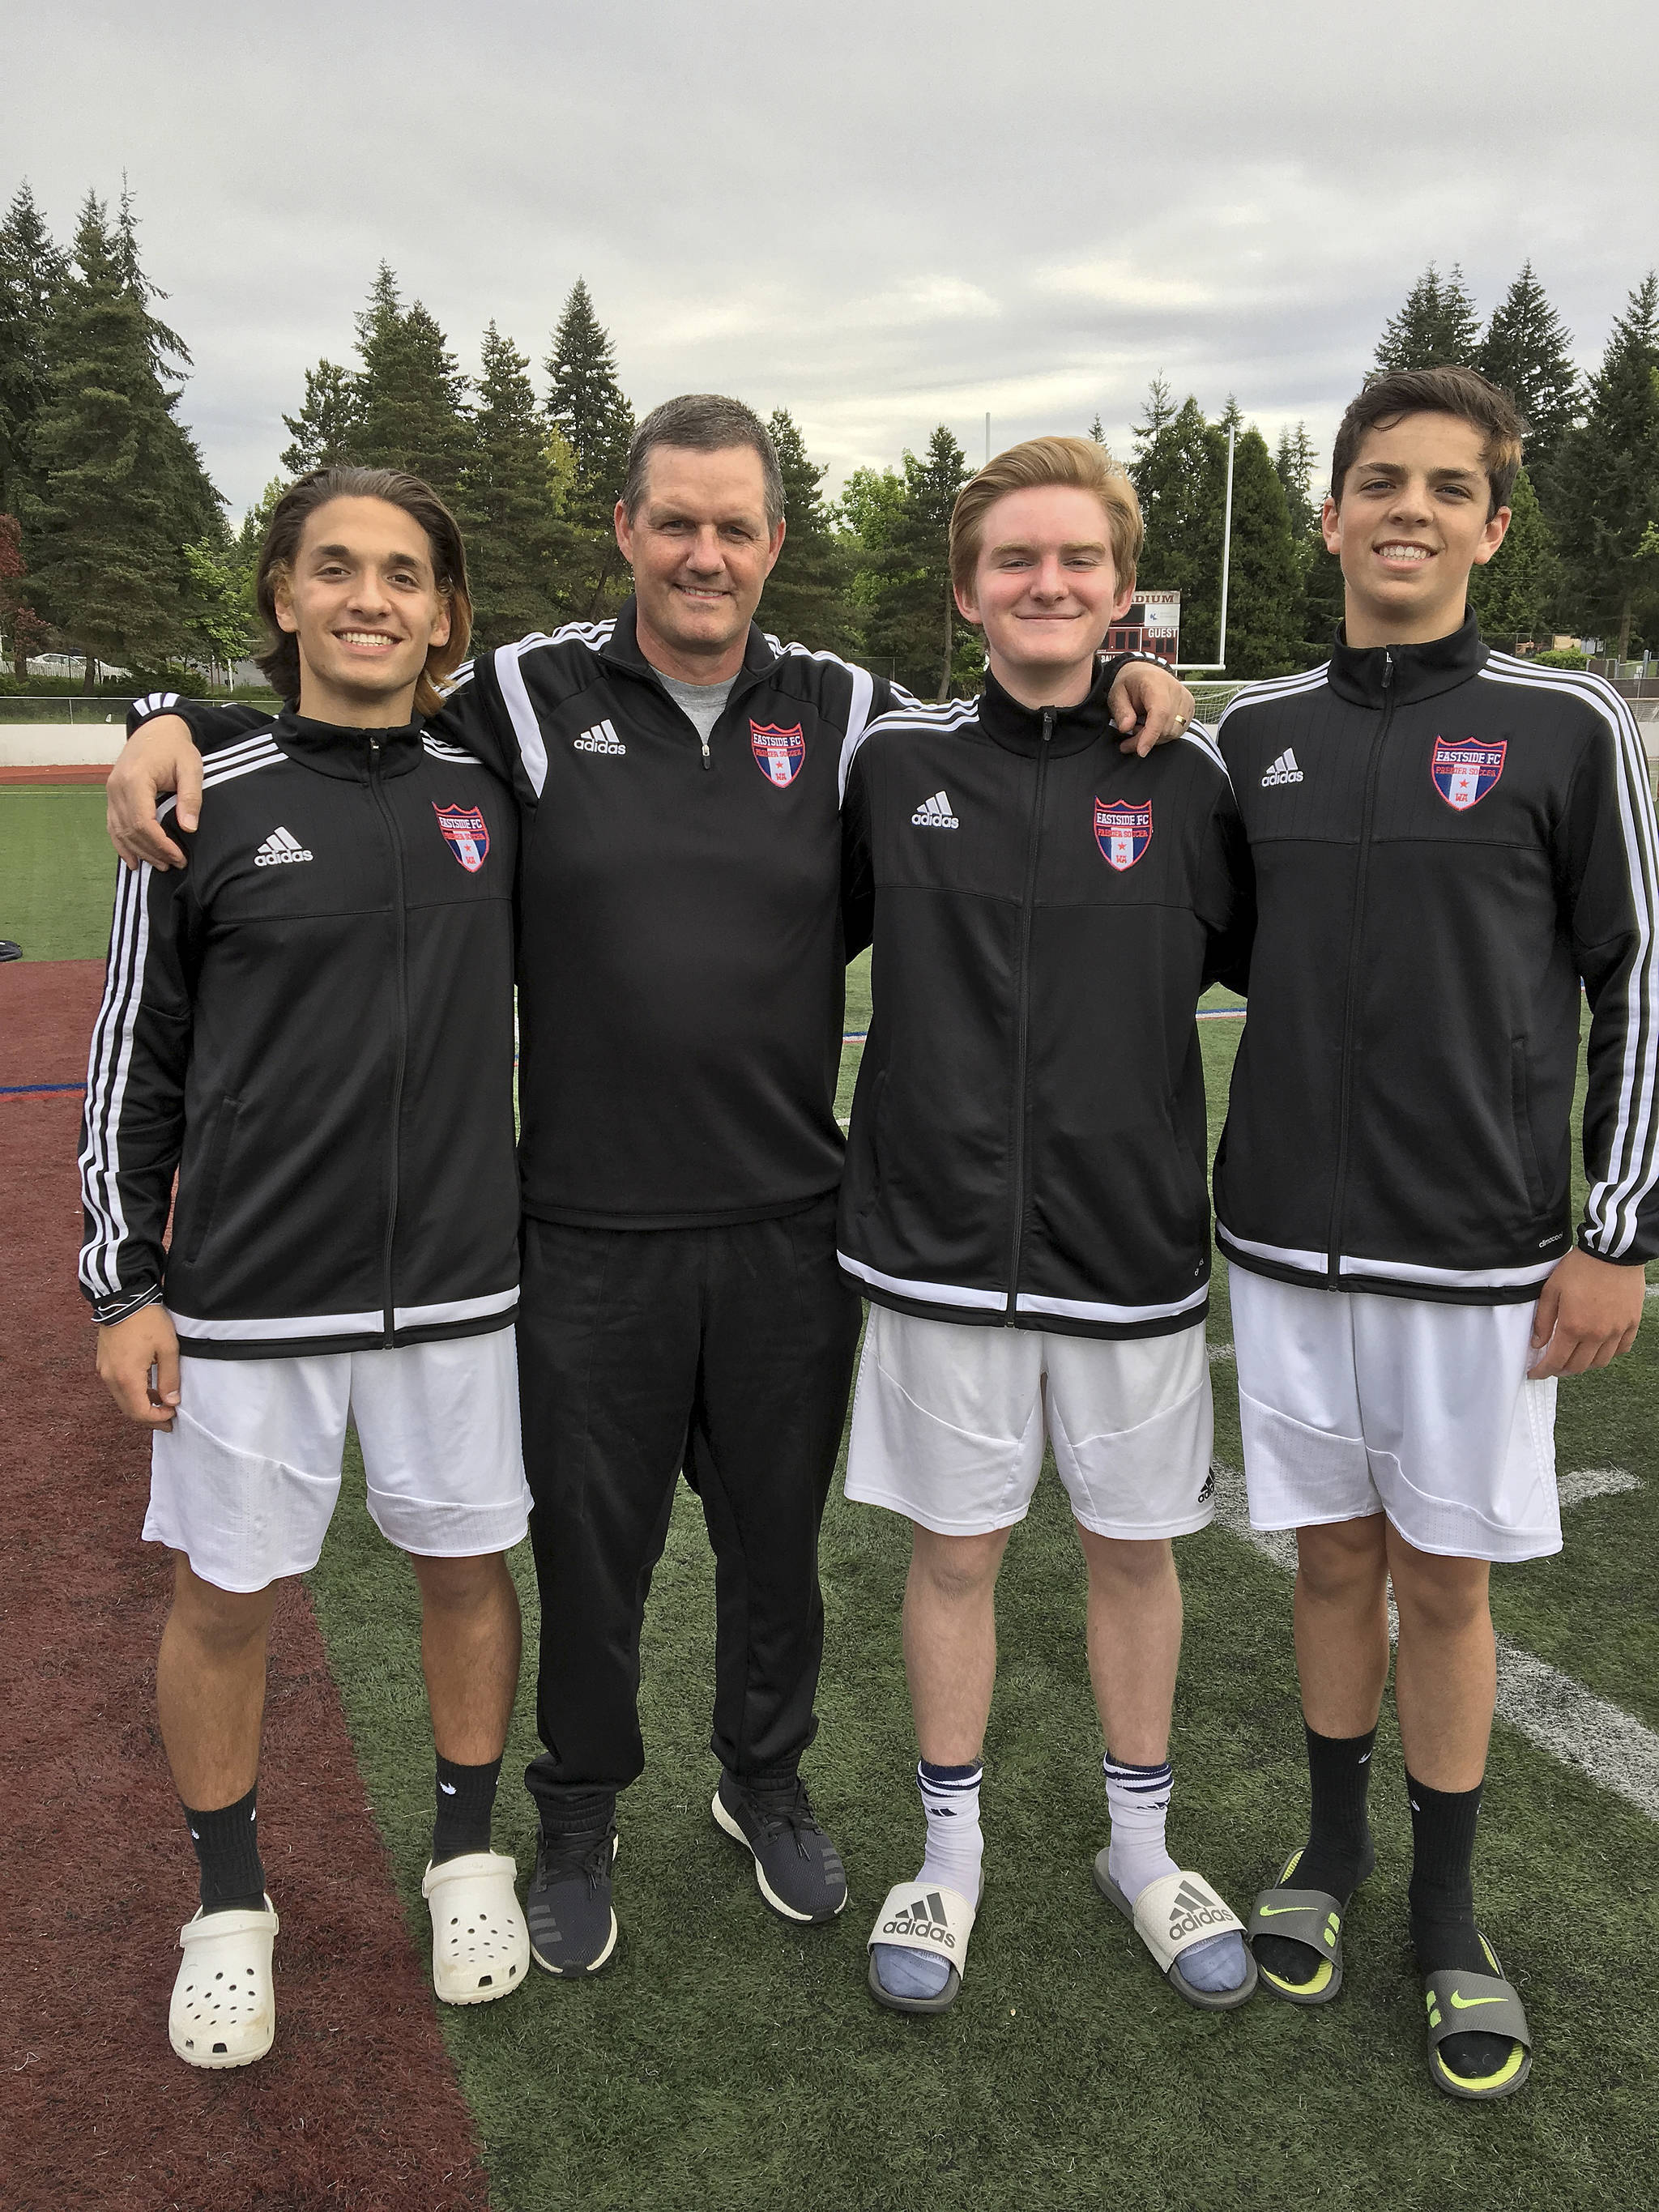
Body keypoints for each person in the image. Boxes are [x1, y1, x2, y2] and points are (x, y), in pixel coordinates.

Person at [104, 396, 1196, 1980]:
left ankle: (763, 1781)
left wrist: (1121, 675)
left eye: (736, 526)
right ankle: (575, 1816)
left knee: (775, 1549)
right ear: (625, 531)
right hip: (580, 1231)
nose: (705, 553)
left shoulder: (843, 709)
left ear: (771, 543)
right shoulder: (529, 697)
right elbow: (346, 707)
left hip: (785, 1226)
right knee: (591, 1562)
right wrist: (167, 716)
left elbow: (1012, 726)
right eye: (674, 521)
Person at [1213, 366, 1657, 2099]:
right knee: (1329, 1562)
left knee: (1446, 1582)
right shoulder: (1250, 736)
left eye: (1444, 486)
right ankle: (1328, 1860)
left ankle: (1449, 1912)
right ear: (1328, 512)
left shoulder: (1564, 724)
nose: (1407, 507)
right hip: (1280, 1245)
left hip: (1480, 1257)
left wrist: (1615, 1231)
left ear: (1486, 520)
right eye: (1376, 478)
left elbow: (1638, 982)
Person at [82, 467, 532, 2066]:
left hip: (462, 1290)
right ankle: (228, 1904)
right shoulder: (205, 789)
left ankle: (468, 1854)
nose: (369, 598)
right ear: (281, 596)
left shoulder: (496, 781)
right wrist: (124, 1282)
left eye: (404, 574)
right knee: (224, 1597)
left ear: (444, 614)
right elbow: (133, 1057)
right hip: (251, 1298)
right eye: (333, 569)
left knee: (469, 1572)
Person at [838, 436, 1256, 2015]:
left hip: (1127, 1242)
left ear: (1118, 590)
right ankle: (948, 1860)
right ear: (966, 591)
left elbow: (1281, 966)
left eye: (1076, 559)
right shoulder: (893, 768)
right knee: (957, 1553)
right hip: (935, 1239)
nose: (1046, 583)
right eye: (1014, 559)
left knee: (1130, 1548)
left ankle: (1138, 1848)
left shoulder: (1187, 773)